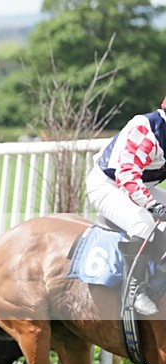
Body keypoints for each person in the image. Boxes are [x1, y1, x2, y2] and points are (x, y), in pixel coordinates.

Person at [86, 96, 166, 315]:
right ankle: (135, 292)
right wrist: (154, 207)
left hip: (142, 186)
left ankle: (159, 280)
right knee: (143, 223)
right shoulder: (146, 129)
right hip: (108, 185)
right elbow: (127, 177)